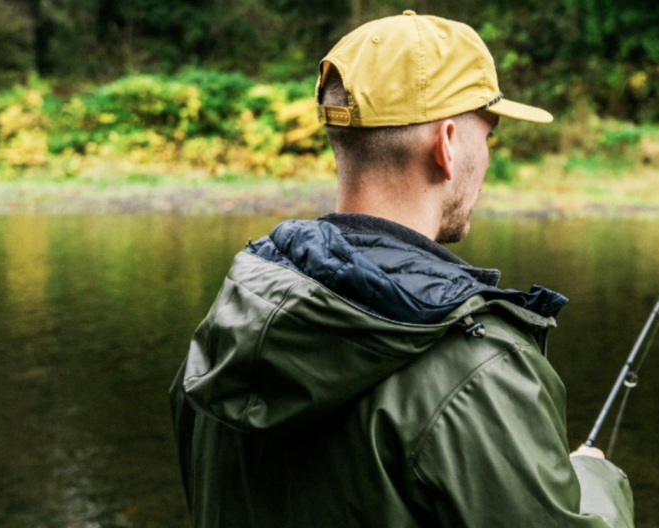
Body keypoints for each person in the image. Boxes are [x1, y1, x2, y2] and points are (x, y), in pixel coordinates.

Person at [170, 10, 634, 527]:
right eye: (490, 135)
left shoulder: (231, 328)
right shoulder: (478, 372)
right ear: (449, 145)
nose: (488, 157)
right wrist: (594, 482)